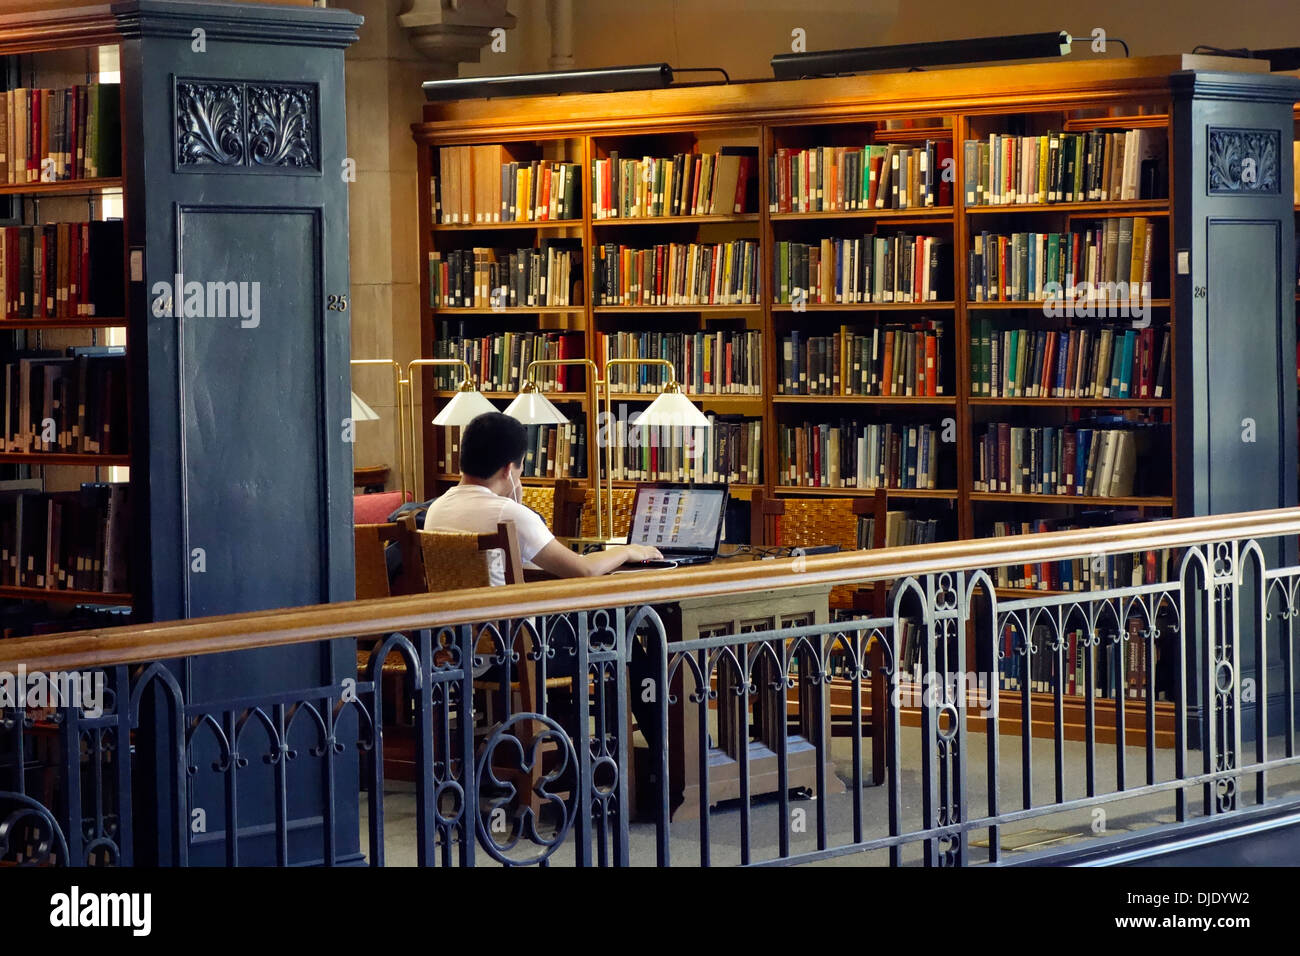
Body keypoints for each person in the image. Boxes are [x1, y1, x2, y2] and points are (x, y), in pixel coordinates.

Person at [423, 411, 662, 585]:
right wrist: (629, 551)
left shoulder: (437, 508)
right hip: (516, 645)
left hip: (456, 643)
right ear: (508, 470)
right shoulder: (510, 515)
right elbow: (584, 570)